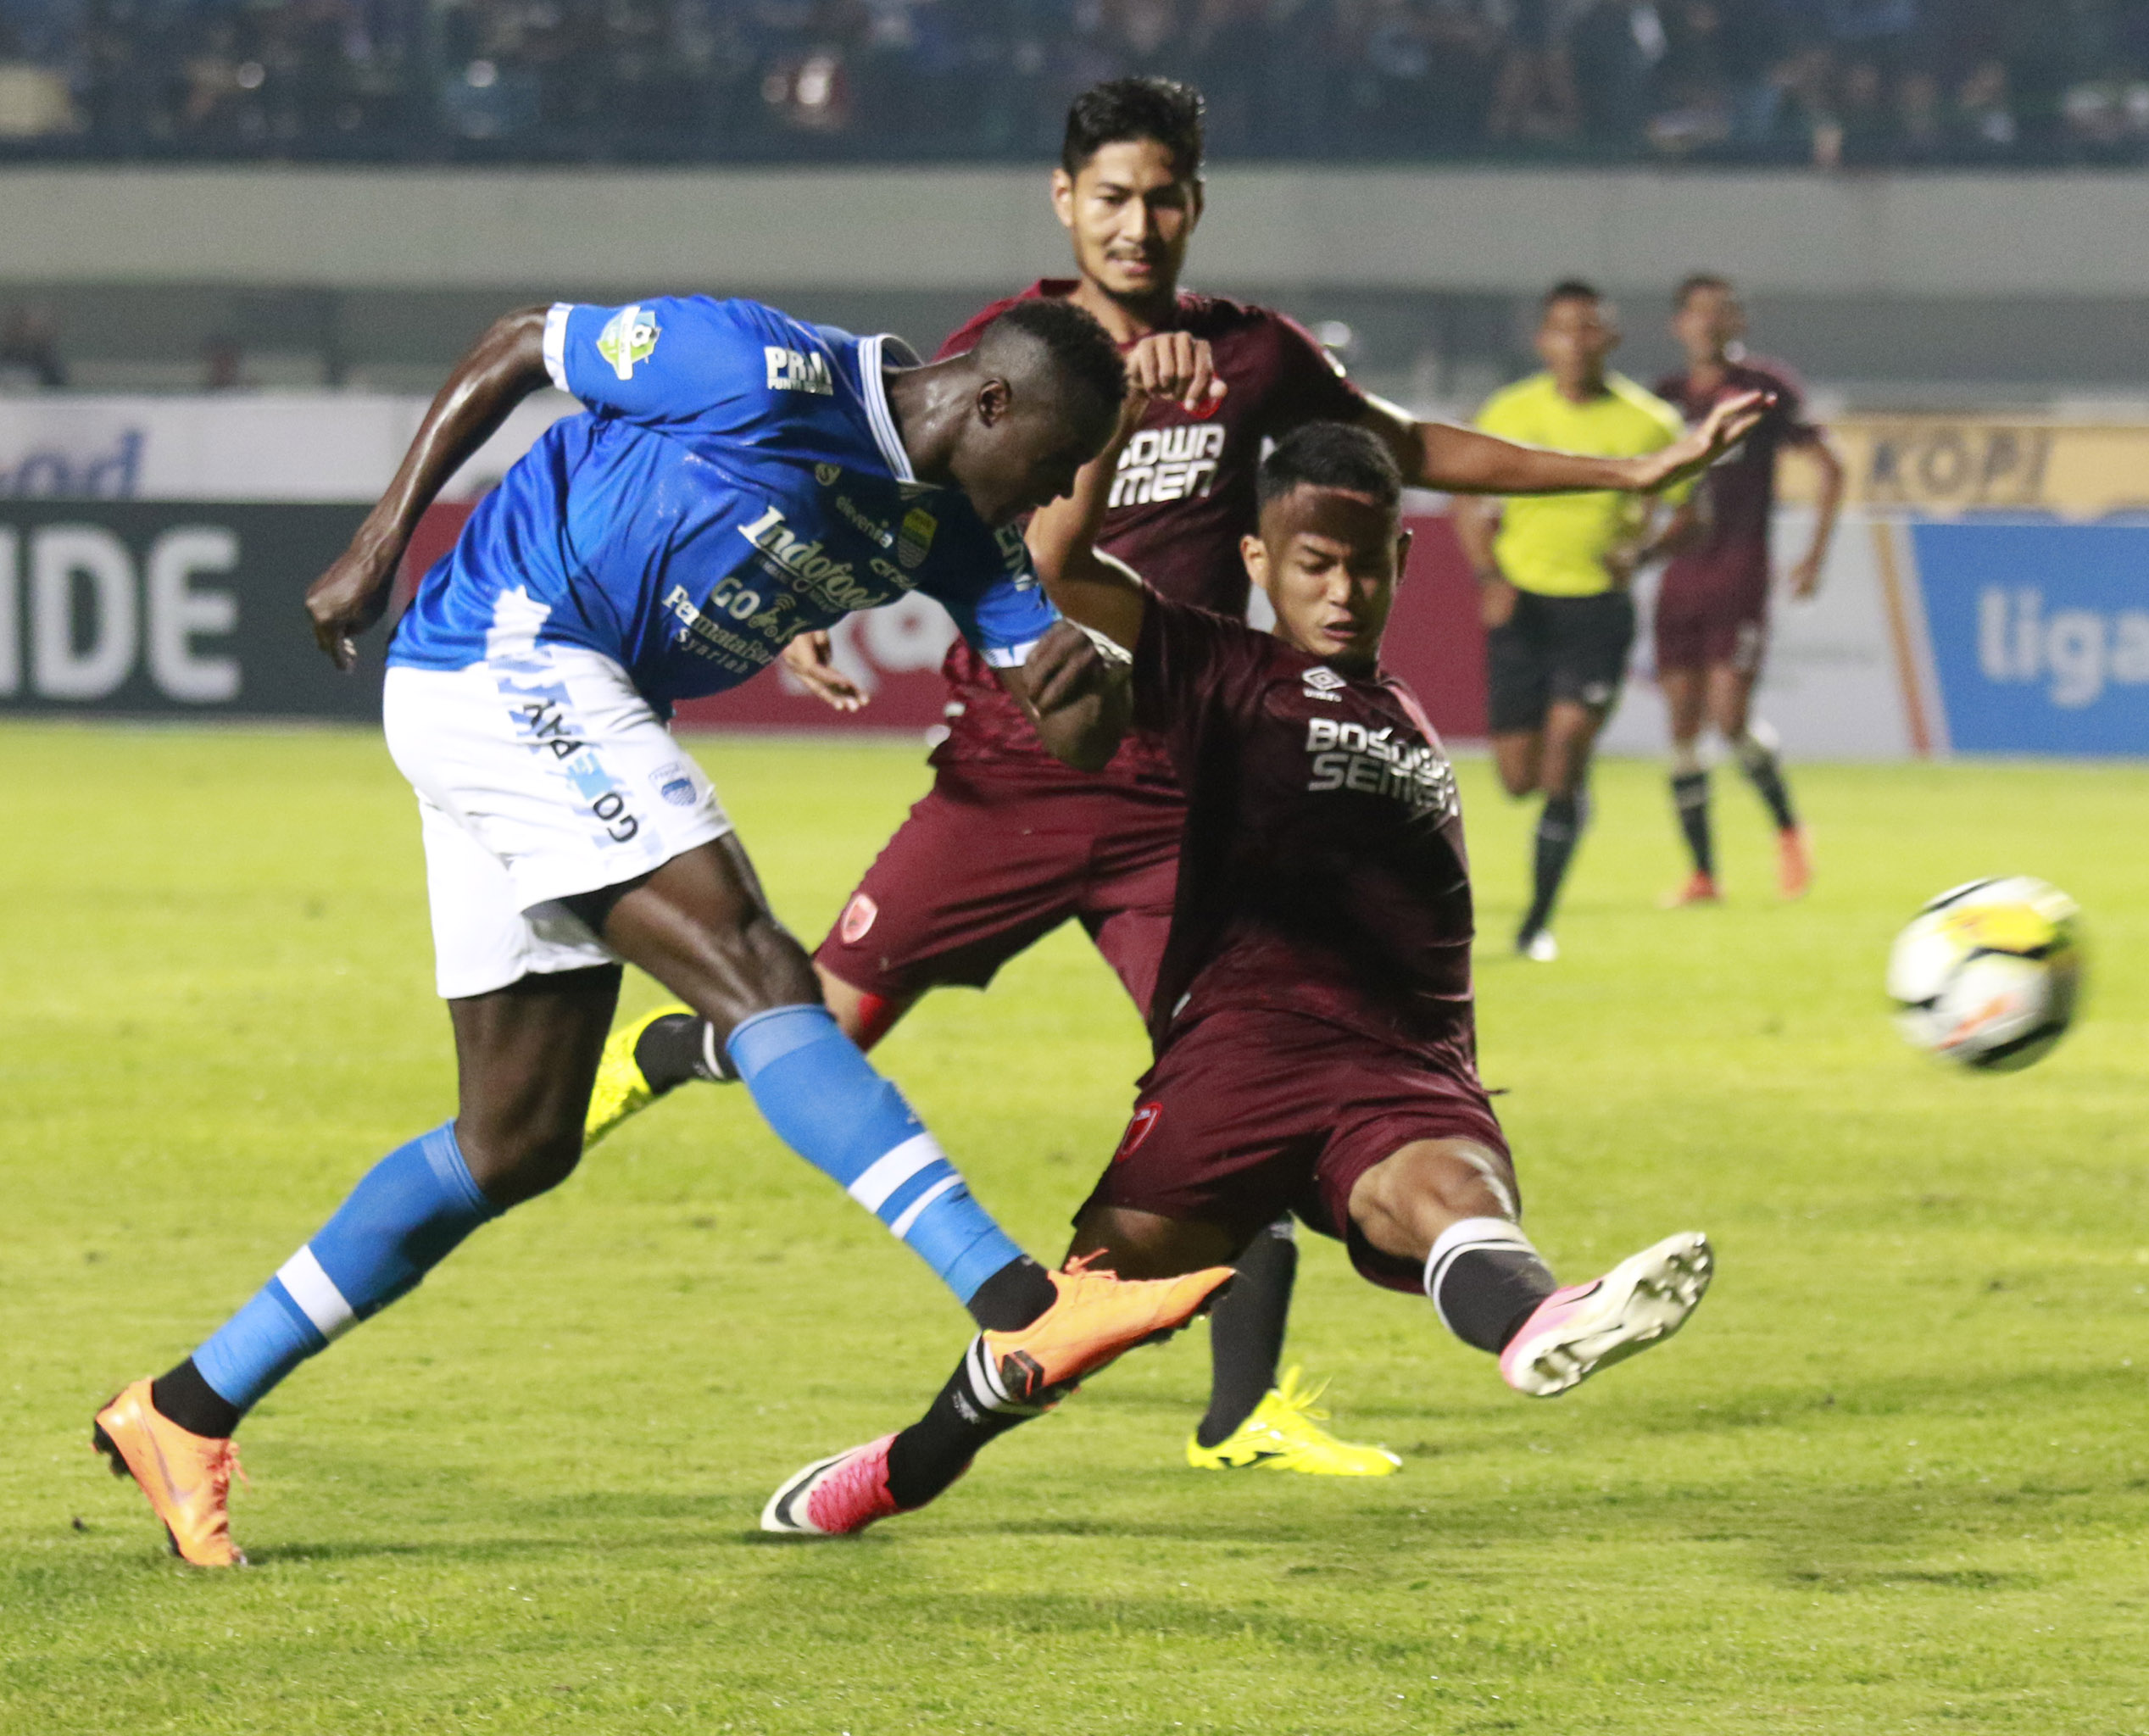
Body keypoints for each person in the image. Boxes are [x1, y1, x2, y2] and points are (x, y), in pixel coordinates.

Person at [580, 78, 1753, 1476]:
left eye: (1163, 197)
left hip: (1175, 785)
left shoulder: (1251, 355)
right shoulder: (1009, 352)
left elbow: (1411, 447)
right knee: (819, 1029)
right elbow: (904, 494)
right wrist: (808, 600)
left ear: (1196, 204)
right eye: (1112, 197)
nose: (1137, 224)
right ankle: (674, 1048)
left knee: (1243, 1069)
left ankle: (1240, 1409)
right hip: (1011, 767)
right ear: (1064, 201)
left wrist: (1631, 476)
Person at [89, 293, 1233, 1568]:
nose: (1062, 490)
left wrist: (1096, 687)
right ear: (991, 402)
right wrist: (381, 539)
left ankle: (183, 1409)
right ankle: (1016, 1299)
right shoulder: (764, 368)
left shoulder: (965, 533)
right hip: (513, 648)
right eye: (1059, 459)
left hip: (544, 702)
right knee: (756, 967)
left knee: (514, 1140)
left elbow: (1071, 726)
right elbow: (520, 343)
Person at [761, 420, 1745, 1539]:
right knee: (1072, 1320)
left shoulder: (1407, 714)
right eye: (1315, 565)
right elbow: (1059, 563)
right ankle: (906, 1467)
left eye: (1365, 566)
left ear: (1401, 561)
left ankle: (1541, 1319)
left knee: (1454, 1195)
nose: (1343, 592)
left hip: (1404, 1064)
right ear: (1258, 561)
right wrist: (1112, 415)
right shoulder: (1222, 668)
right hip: (1243, 1062)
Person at [1453, 281, 1692, 962]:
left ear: (1612, 338)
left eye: (1591, 328)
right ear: (1542, 341)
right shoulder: (1511, 411)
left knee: (1565, 754)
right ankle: (1563, 806)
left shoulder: (1650, 423)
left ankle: (1537, 923)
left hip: (1597, 610)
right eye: (1564, 328)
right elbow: (1467, 498)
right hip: (1522, 607)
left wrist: (1643, 553)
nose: (1577, 342)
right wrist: (1490, 576)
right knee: (1517, 778)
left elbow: (1691, 512)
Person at [1649, 273, 1846, 904]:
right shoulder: (1662, 399)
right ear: (1678, 324)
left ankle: (1788, 829)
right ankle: (1703, 875)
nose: (1709, 322)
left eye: (1721, 311)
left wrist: (1814, 556)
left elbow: (1831, 466)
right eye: (1698, 312)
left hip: (1739, 570)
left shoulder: (1764, 388)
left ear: (1739, 322)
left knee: (1730, 719)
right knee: (1683, 724)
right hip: (1680, 575)